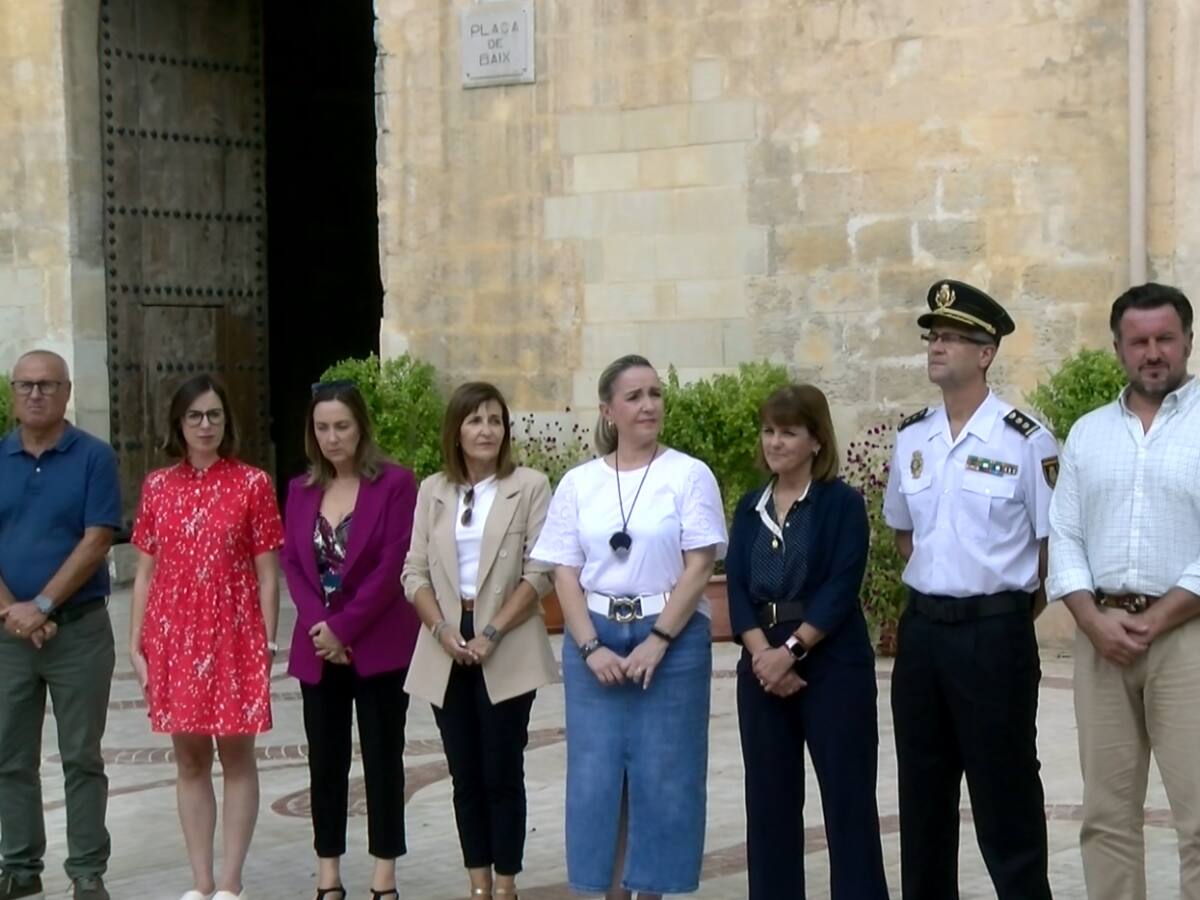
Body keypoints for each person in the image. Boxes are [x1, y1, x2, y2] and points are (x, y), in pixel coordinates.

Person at [883, 280, 1056, 900]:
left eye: (953, 337)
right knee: (923, 797)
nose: (937, 346)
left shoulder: (1025, 438)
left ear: (985, 353)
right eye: (934, 336)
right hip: (925, 634)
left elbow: (1048, 544)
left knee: (1005, 792)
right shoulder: (913, 437)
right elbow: (906, 537)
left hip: (994, 635)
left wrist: (1000, 609)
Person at [532, 354, 727, 899]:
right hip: (595, 634)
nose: (648, 405)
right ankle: (607, 888)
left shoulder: (688, 474)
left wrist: (660, 639)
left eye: (655, 394)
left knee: (665, 776)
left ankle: (652, 891)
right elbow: (563, 571)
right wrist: (589, 645)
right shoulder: (578, 482)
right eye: (635, 396)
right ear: (608, 410)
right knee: (597, 779)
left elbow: (701, 563)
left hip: (672, 635)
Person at [1047, 283, 1200, 900]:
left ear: (1188, 340)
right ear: (1118, 348)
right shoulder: (1088, 434)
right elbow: (1064, 533)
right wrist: (1091, 620)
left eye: (1165, 337)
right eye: (1138, 341)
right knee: (1106, 817)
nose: (1153, 352)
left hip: (1187, 640)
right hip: (1101, 642)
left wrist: (1158, 618)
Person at [726, 384, 889, 900]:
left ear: (816, 441)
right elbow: (734, 587)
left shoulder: (840, 504)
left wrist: (791, 652)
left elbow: (841, 586)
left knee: (848, 803)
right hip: (761, 668)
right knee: (770, 805)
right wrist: (762, 656)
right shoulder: (750, 506)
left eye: (789, 432)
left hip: (830, 662)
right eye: (769, 431)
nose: (775, 442)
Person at [128, 374, 284, 900]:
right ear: (179, 422)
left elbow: (268, 572)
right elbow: (145, 571)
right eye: (195, 416)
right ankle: (200, 883)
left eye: (214, 415)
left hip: (235, 634)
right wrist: (137, 643)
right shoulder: (157, 486)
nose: (205, 425)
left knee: (237, 758)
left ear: (226, 421)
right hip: (174, 636)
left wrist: (267, 642)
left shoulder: (252, 484)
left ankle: (232, 885)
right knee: (190, 759)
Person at [402, 382, 558, 900]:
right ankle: (478, 886)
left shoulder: (531, 486)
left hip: (506, 640)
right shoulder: (434, 491)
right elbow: (414, 571)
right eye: (475, 420)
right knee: (463, 774)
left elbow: (542, 570)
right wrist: (442, 629)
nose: (486, 430)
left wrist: (491, 631)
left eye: (495, 420)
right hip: (446, 643)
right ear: (457, 430)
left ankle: (508, 884)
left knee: (501, 770)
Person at [280, 380, 419, 900]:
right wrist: (322, 628)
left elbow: (393, 566)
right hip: (319, 650)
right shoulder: (299, 489)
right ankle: (328, 875)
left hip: (379, 644)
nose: (332, 437)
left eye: (341, 426)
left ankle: (384, 876)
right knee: (326, 763)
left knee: (384, 760)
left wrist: (345, 627)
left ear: (360, 426)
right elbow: (295, 563)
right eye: (322, 428)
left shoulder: (397, 484)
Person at [0, 350, 120, 900]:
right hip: (8, 635)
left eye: (47, 385)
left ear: (67, 391)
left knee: (81, 755)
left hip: (79, 630)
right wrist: (14, 612)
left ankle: (86, 870)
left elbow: (97, 538)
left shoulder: (94, 457)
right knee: (8, 754)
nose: (35, 394)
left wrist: (43, 605)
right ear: (12, 393)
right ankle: (21, 867)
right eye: (25, 385)